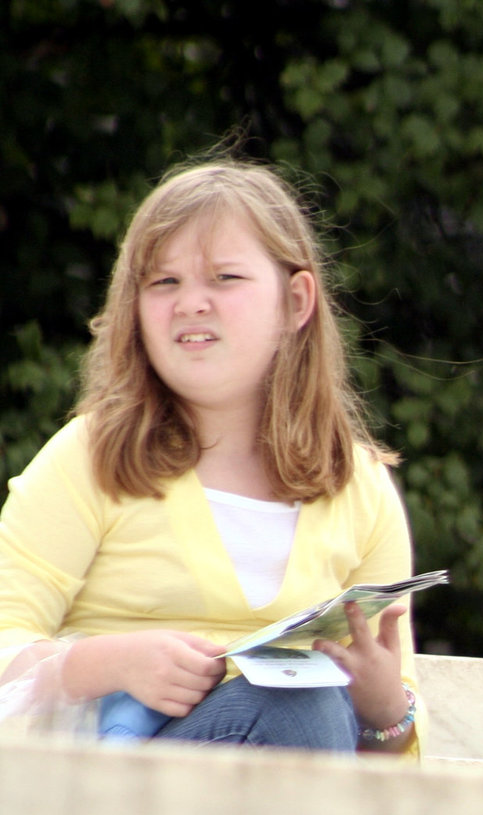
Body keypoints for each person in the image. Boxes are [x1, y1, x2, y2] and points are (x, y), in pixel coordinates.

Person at [0, 157, 424, 755]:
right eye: (164, 282)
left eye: (224, 278)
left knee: (312, 701)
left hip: (309, 800)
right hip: (104, 808)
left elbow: (391, 746)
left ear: (296, 302)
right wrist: (107, 663)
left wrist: (382, 706)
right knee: (298, 703)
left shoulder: (360, 485)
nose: (191, 303)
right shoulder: (90, 458)